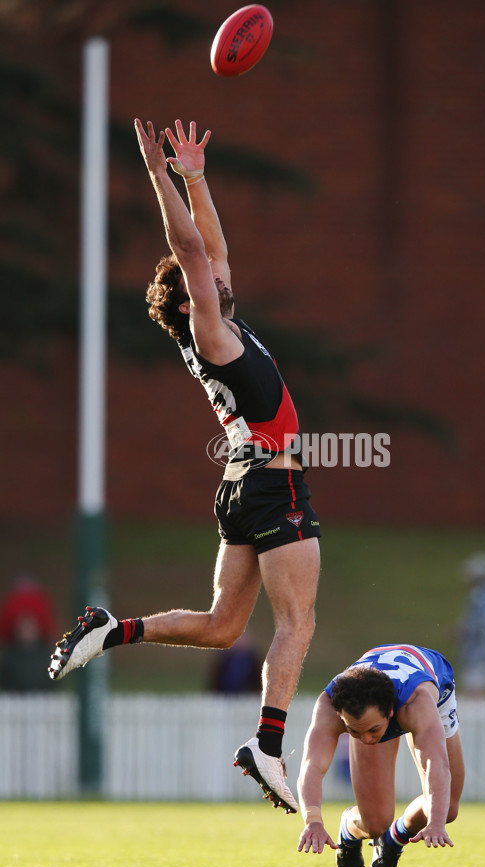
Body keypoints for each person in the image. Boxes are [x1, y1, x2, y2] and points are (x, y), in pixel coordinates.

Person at [48, 119, 322, 814]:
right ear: (190, 298)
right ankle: (267, 744)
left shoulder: (222, 325)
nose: (220, 274)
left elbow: (212, 246)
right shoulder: (210, 329)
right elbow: (192, 247)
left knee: (224, 626)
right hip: (270, 477)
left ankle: (114, 630)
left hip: (241, 483)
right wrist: (157, 171)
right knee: (299, 622)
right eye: (204, 280)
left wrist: (197, 177)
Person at [296, 643, 465, 867]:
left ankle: (393, 840)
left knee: (446, 808)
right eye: (354, 731)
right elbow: (312, 765)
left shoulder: (416, 704)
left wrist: (435, 823)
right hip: (375, 687)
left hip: (432, 684)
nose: (366, 739)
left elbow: (435, 763)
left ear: (390, 712)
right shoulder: (330, 704)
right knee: (375, 823)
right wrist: (313, 821)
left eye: (374, 729)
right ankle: (350, 828)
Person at [455, 553, 485, 698]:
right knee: (480, 678)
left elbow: (479, 624)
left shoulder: (482, 596)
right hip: (482, 645)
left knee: (475, 681)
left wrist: (463, 632)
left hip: (477, 647)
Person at [0, 574, 57, 692]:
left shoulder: (48, 658)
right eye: (22, 626)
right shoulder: (9, 658)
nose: (26, 630)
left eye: (29, 625)